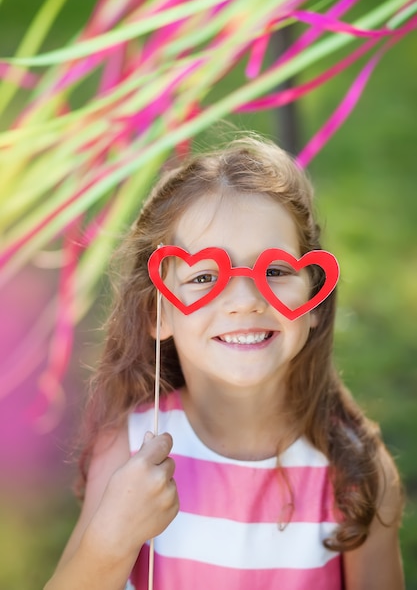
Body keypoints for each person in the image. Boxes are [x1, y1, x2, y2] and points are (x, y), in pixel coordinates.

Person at [44, 134, 404, 590]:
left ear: (312, 298)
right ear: (159, 311)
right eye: (205, 276)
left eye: (274, 271)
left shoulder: (356, 474)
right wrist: (110, 540)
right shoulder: (129, 451)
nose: (245, 301)